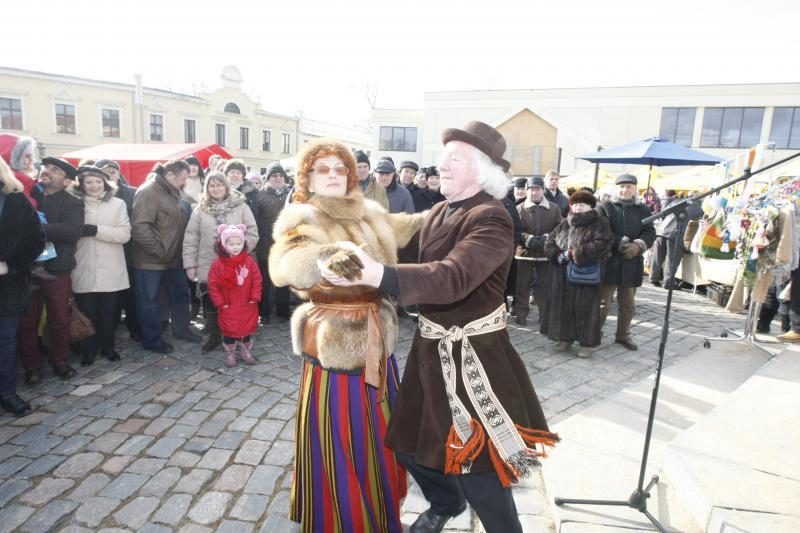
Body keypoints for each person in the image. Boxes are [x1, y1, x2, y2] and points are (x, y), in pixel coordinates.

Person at [321, 121, 558, 533]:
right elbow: (400, 249)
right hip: (430, 351)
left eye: (456, 159)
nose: (443, 165)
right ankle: (446, 503)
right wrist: (350, 249)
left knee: (479, 467)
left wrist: (378, 275)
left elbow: (451, 277)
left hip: (473, 360)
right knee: (408, 442)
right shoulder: (440, 211)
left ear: (482, 170)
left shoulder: (492, 218)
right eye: (444, 157)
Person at [269, 138, 423, 532]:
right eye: (324, 169)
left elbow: (406, 227)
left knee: (383, 433)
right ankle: (345, 521)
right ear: (308, 177)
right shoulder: (302, 216)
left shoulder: (369, 212)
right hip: (334, 346)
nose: (334, 175)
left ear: (353, 175)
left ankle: (383, 514)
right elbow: (288, 262)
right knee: (342, 437)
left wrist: (451, 212)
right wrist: (325, 258)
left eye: (341, 169)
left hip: (378, 337)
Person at [16, 157, 84, 382]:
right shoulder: (27, 194)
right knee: (28, 320)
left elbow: (72, 231)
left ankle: (60, 360)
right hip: (26, 268)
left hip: (57, 268)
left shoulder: (72, 202)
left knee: (59, 317)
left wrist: (37, 229)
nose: (47, 172)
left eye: (55, 170)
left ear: (66, 181)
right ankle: (32, 366)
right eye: (47, 167)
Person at [182, 172, 258, 353]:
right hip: (209, 264)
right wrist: (190, 265)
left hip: (235, 265)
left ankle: (235, 335)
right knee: (211, 303)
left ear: (226, 186)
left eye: (219, 185)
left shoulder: (240, 207)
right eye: (211, 185)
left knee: (233, 303)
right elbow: (191, 238)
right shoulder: (200, 209)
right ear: (207, 188)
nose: (216, 189)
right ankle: (214, 336)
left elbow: (252, 232)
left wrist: (239, 250)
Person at [131, 160, 200, 354]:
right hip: (150, 261)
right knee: (149, 301)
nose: (185, 182)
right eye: (183, 178)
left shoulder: (173, 191)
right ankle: (152, 339)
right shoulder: (148, 192)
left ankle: (182, 330)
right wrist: (160, 252)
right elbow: (140, 227)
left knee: (180, 295)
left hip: (174, 258)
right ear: (170, 175)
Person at [70, 166, 131, 366]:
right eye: (89, 182)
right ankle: (89, 349)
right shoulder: (74, 204)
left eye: (98, 181)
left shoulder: (118, 204)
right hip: (83, 265)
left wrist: (96, 230)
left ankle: (108, 346)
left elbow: (124, 234)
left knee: (108, 313)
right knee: (87, 313)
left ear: (105, 183)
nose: (94, 186)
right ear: (82, 184)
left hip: (110, 267)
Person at [543, 190, 612, 357]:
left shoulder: (600, 222)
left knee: (585, 309)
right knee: (565, 307)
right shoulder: (565, 222)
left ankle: (586, 343)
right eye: (574, 204)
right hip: (563, 274)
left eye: (582, 204)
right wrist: (557, 254)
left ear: (590, 206)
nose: (577, 207)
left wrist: (575, 253)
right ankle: (565, 338)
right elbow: (550, 241)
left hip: (585, 273)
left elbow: (603, 243)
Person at [0, 158, 44, 416]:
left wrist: (10, 266)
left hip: (9, 288)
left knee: (6, 342)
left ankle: (7, 393)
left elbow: (36, 242)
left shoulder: (16, 202)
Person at [597, 173, 656, 351]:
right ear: (617, 188)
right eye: (622, 186)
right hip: (610, 261)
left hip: (631, 263)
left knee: (628, 304)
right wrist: (618, 242)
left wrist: (638, 246)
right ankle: (594, 332)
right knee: (602, 303)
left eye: (629, 186)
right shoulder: (605, 207)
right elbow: (601, 230)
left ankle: (623, 335)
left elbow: (650, 232)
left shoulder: (643, 209)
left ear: (635, 189)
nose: (625, 190)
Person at [95, 158, 140, 340]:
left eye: (113, 171)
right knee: (110, 295)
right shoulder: (92, 195)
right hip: (104, 250)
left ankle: (134, 327)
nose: (110, 174)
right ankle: (108, 330)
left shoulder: (132, 193)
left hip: (129, 250)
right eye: (105, 171)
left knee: (131, 293)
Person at [208, 224, 262, 366]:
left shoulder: (249, 262)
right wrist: (220, 303)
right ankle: (230, 353)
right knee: (229, 331)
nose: (235, 247)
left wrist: (254, 297)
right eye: (231, 244)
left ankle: (246, 350)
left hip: (247, 304)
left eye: (238, 243)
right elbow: (213, 286)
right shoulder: (218, 264)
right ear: (223, 244)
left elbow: (257, 280)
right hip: (227, 305)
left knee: (246, 330)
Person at [513, 176, 562, 326]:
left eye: (537, 189)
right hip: (524, 254)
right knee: (522, 286)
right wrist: (527, 238)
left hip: (545, 254)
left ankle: (544, 314)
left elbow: (560, 227)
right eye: (531, 189)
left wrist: (548, 238)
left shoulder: (554, 208)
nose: (534, 193)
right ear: (527, 191)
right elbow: (515, 229)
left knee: (544, 286)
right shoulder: (519, 208)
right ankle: (521, 313)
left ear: (543, 190)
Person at [255, 162, 291, 322]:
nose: (278, 178)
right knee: (265, 281)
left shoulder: (291, 194)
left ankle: (283, 311)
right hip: (266, 244)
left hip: (286, 245)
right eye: (274, 175)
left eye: (280, 175)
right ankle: (264, 312)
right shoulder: (260, 196)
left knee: (283, 279)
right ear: (268, 178)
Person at [0, 133, 42, 208]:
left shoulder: (27, 181)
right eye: (26, 156)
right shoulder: (9, 183)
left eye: (31, 155)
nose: (31, 160)